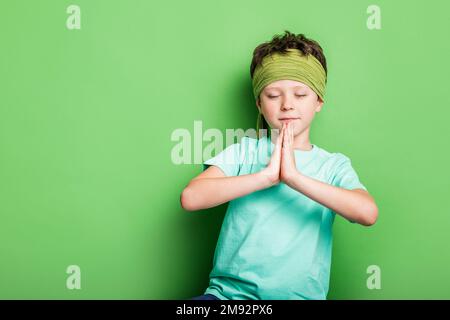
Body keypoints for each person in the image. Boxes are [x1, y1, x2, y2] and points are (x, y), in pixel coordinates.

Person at [181, 30, 378, 300]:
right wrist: (265, 177)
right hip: (229, 298)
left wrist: (295, 177)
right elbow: (191, 198)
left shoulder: (333, 165)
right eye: (273, 95)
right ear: (259, 104)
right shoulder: (244, 151)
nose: (287, 105)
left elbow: (367, 213)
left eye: (300, 94)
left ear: (318, 101)